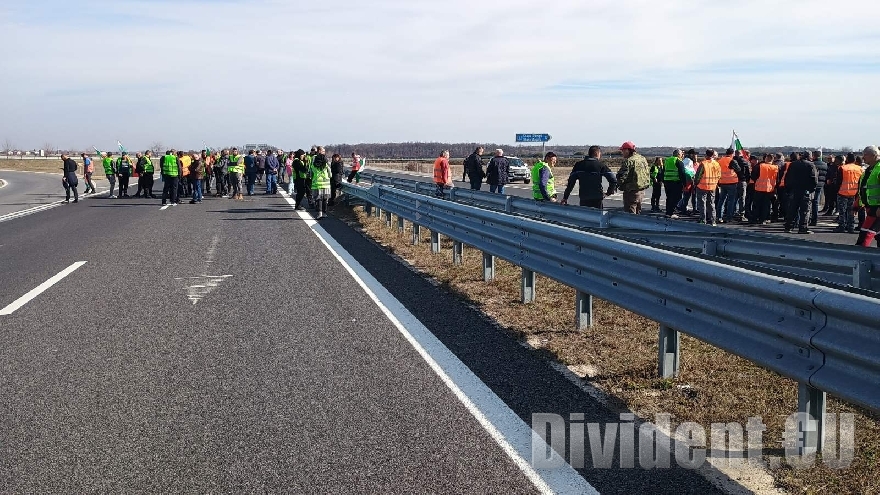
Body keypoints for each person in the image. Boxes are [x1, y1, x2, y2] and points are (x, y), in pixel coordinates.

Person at [783, 151, 818, 234]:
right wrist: (812, 190)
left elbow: (787, 177)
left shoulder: (793, 164)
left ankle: (788, 227)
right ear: (809, 156)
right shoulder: (811, 165)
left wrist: (788, 189)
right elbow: (814, 179)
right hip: (805, 191)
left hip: (794, 190)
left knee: (792, 209)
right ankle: (803, 228)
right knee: (805, 211)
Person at [615, 141, 650, 214]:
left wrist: (616, 185)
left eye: (623, 150)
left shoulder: (629, 161)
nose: (622, 152)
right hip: (641, 191)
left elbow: (621, 176)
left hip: (631, 191)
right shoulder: (642, 159)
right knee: (638, 213)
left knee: (630, 215)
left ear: (628, 150)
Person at [855, 146, 880, 247]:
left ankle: (858, 255)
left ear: (874, 155)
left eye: (865, 154)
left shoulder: (878, 169)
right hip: (870, 207)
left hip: (876, 208)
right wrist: (857, 203)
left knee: (865, 234)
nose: (863, 157)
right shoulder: (869, 169)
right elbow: (865, 187)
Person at [835, 156, 863, 233]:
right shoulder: (860, 169)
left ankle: (842, 226)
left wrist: (836, 191)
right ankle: (850, 226)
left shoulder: (843, 168)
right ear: (854, 160)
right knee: (851, 211)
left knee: (842, 211)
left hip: (842, 192)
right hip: (854, 193)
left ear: (847, 159)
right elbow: (861, 181)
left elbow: (838, 181)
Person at [693, 149, 720, 225]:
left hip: (702, 186)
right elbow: (719, 175)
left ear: (706, 154)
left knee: (702, 204)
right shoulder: (716, 164)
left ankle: (703, 219)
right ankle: (713, 220)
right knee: (711, 203)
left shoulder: (703, 164)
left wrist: (696, 184)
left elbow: (698, 176)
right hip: (712, 186)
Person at [749, 154, 778, 225]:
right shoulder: (775, 168)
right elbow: (778, 179)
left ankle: (754, 219)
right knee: (766, 205)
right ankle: (763, 219)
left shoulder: (760, 166)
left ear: (766, 159)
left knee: (756, 205)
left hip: (759, 187)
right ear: (772, 160)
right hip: (770, 189)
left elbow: (753, 176)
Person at [715, 148, 741, 223]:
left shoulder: (720, 161)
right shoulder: (732, 161)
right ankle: (729, 217)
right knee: (731, 201)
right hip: (732, 183)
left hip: (722, 182)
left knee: (721, 200)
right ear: (732, 154)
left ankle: (719, 216)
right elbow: (738, 170)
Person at [661, 149, 685, 216]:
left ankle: (668, 212)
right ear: (678, 155)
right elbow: (682, 173)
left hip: (667, 182)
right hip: (676, 182)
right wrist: (684, 184)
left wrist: (663, 180)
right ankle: (672, 212)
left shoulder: (667, 160)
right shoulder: (678, 161)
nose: (682, 156)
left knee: (669, 197)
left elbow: (663, 171)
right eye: (681, 154)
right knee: (676, 198)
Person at [674, 149, 698, 216]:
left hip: (688, 181)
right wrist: (691, 176)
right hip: (688, 182)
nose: (695, 155)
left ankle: (685, 209)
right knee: (686, 197)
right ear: (691, 154)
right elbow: (686, 170)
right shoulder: (688, 161)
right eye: (694, 154)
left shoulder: (687, 160)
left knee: (688, 197)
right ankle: (683, 210)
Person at [310, 149, 332, 219]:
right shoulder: (326, 166)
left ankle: (319, 213)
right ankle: (325, 213)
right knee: (325, 199)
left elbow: (310, 175)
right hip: (326, 184)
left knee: (318, 199)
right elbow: (330, 175)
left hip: (316, 185)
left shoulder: (313, 166)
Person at [809, 150, 828, 227]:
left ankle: (810, 218)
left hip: (812, 185)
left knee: (810, 202)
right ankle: (815, 219)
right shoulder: (825, 164)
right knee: (816, 201)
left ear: (813, 155)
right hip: (820, 185)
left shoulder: (811, 164)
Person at [732, 150, 750, 221]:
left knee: (734, 198)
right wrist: (747, 181)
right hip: (742, 181)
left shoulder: (732, 161)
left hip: (733, 181)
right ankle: (741, 214)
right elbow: (748, 172)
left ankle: (732, 212)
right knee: (742, 198)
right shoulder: (745, 161)